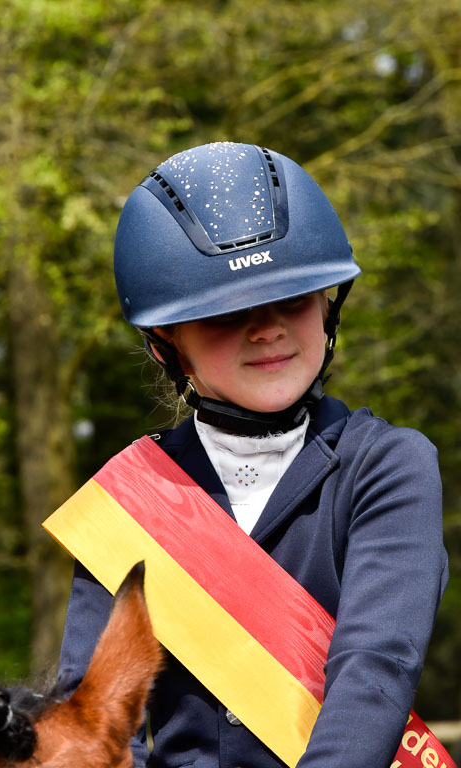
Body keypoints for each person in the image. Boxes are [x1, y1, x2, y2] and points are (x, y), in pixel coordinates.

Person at [57, 141, 448, 768]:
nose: (266, 328)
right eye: (225, 314)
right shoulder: (131, 498)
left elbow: (375, 667)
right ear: (167, 341)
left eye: (291, 299)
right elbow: (92, 715)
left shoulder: (390, 465)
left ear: (327, 305)